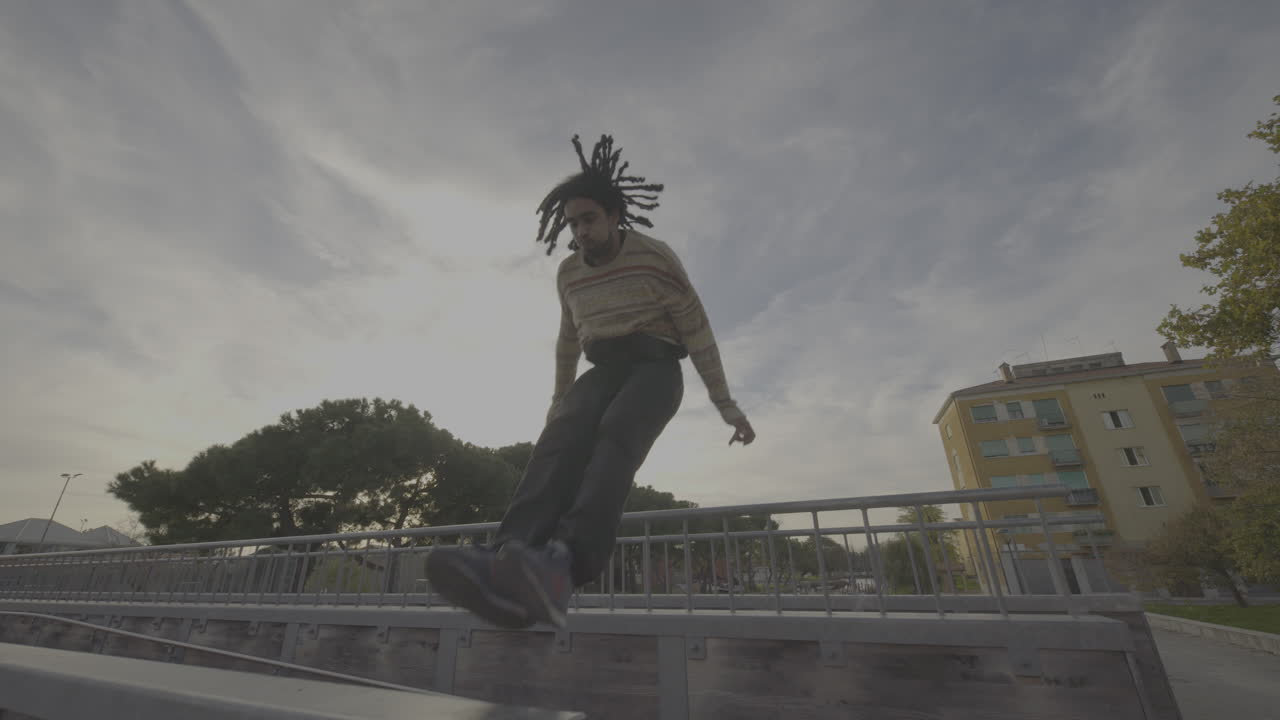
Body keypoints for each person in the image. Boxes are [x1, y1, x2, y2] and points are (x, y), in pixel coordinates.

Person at [426, 134, 755, 629]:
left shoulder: (655, 259)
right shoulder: (568, 275)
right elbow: (567, 341)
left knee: (616, 434)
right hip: (602, 369)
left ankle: (564, 563)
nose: (581, 231)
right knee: (557, 441)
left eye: (589, 219)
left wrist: (726, 404)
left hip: (655, 368)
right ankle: (509, 554)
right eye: (574, 223)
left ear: (614, 216)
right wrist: (559, 399)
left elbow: (698, 332)